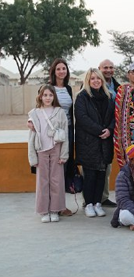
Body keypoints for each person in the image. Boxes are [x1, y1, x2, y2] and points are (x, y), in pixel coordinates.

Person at [75, 68, 115, 218]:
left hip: (105, 142)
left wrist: (109, 130)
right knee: (90, 175)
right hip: (88, 142)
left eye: (98, 78)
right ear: (88, 80)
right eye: (92, 78)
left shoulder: (108, 97)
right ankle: (89, 204)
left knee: (101, 175)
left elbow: (113, 117)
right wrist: (100, 130)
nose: (96, 81)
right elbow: (82, 118)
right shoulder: (82, 97)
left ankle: (98, 203)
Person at [28, 85, 69, 222]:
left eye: (50, 95)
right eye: (45, 95)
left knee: (57, 181)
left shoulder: (60, 112)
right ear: (40, 97)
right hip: (41, 150)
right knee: (42, 182)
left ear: (54, 97)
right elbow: (31, 137)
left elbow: (65, 134)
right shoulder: (34, 113)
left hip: (56, 149)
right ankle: (44, 211)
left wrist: (64, 155)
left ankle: (55, 210)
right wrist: (32, 157)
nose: (47, 98)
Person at [49, 58, 74, 212]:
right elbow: (40, 108)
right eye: (58, 69)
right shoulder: (48, 88)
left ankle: (60, 205)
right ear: (54, 71)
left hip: (68, 130)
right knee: (54, 168)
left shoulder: (68, 89)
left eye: (64, 68)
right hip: (53, 132)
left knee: (64, 165)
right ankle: (53, 206)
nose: (61, 71)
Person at [98, 58, 121, 207]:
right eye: (105, 67)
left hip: (112, 130)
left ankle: (104, 197)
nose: (108, 70)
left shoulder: (118, 87)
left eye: (111, 67)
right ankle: (90, 199)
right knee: (93, 167)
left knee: (107, 166)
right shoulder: (92, 85)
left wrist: (111, 128)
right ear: (99, 69)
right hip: (96, 131)